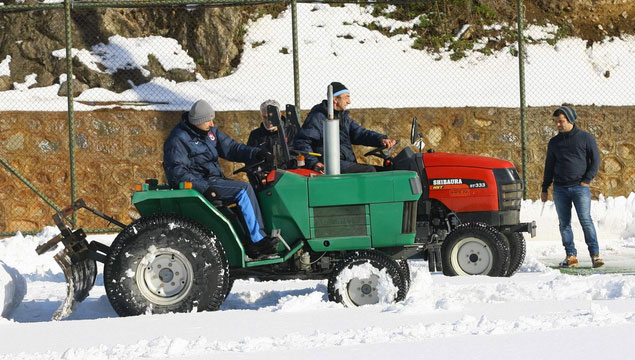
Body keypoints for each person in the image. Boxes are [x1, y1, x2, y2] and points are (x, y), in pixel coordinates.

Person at [163, 100, 278, 258]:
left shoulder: (210, 133)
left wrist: (256, 153)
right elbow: (176, 172)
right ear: (197, 121)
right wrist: (204, 188)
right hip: (202, 183)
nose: (212, 124)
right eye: (208, 120)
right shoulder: (178, 139)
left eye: (212, 119)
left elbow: (231, 148)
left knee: (256, 190)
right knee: (243, 190)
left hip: (214, 179)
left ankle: (248, 241)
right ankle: (258, 240)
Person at [541, 105, 603, 268]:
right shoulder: (554, 142)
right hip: (560, 189)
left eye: (560, 121)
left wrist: (586, 180)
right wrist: (544, 187)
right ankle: (571, 256)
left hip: (580, 187)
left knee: (585, 220)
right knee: (564, 223)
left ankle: (595, 255)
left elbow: (595, 160)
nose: (558, 125)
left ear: (570, 120)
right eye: (556, 122)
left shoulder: (585, 138)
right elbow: (549, 165)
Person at [293, 82, 396, 173]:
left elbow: (360, 134)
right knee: (369, 171)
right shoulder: (318, 117)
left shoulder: (342, 117)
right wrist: (314, 163)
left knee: (383, 171)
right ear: (335, 99)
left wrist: (380, 139)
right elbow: (302, 141)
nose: (349, 101)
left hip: (345, 162)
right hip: (329, 165)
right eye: (346, 97)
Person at [247, 99, 297, 169]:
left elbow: (298, 155)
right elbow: (249, 161)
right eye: (265, 117)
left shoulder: (292, 131)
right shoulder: (255, 135)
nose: (268, 121)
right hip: (265, 177)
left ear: (279, 114)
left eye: (271, 117)